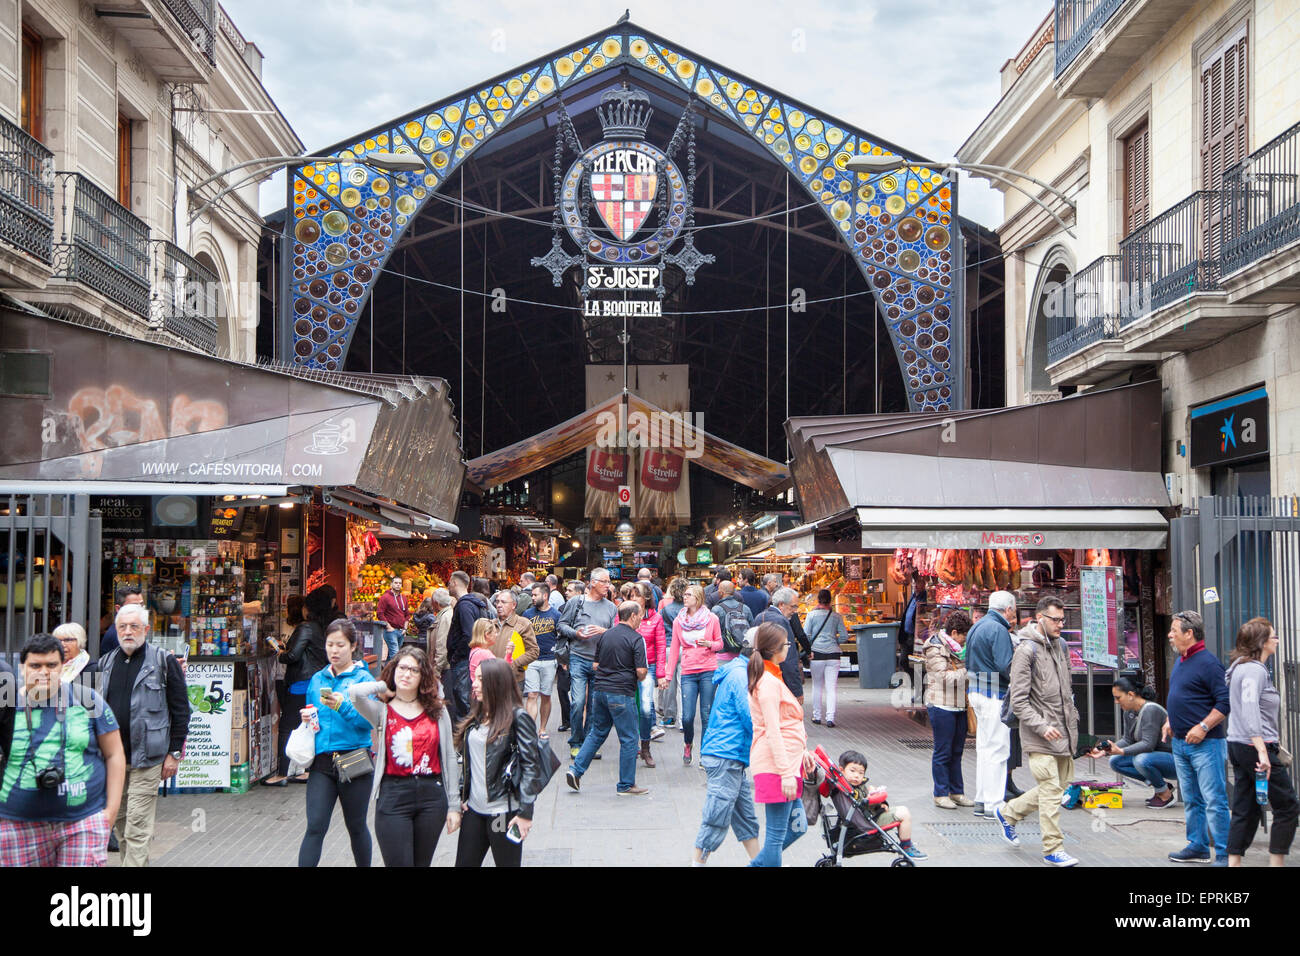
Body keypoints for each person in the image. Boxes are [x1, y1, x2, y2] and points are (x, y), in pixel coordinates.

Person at [0, 634, 125, 867]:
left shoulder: (87, 700)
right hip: (17, 824)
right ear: (21, 667)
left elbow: (114, 753)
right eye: (35, 665)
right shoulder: (6, 704)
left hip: (83, 822)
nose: (44, 672)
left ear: (63, 666)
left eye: (51, 665)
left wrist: (110, 813)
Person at [347, 646, 460, 867]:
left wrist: (454, 805)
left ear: (423, 677)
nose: (406, 674)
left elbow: (449, 757)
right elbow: (355, 694)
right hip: (393, 796)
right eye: (402, 668)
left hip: (431, 798)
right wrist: (383, 686)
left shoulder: (437, 711)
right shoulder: (383, 710)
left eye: (414, 670)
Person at [98, 603, 190, 867]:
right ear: (115, 630)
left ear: (146, 629)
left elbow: (181, 710)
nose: (128, 632)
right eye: (122, 627)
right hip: (113, 762)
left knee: (137, 828)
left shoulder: (164, 661)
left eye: (134, 626)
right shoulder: (104, 663)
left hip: (148, 759)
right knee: (122, 825)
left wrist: (174, 753)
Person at [993, 595, 1080, 867]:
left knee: (1056, 787)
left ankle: (1008, 813)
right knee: (1052, 790)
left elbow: (1066, 691)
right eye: (1055, 619)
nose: (1060, 625)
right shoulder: (1026, 650)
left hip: (1064, 731)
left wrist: (1073, 720)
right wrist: (1042, 726)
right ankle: (1053, 849)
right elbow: (1018, 701)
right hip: (1038, 734)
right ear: (1039, 618)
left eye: (1062, 620)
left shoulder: (1061, 646)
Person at [298, 618, 375, 868]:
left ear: (353, 646)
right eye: (330, 645)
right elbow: (313, 714)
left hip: (354, 762)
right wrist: (308, 718)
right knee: (315, 826)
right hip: (322, 764)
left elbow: (369, 722)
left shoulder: (363, 679)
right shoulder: (318, 679)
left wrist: (343, 707)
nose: (334, 651)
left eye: (340, 645)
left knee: (356, 826)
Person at [454, 657, 546, 867]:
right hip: (474, 811)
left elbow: (531, 766)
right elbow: (470, 764)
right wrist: (461, 794)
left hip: (502, 814)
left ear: (496, 683)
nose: (474, 684)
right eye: (475, 678)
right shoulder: (477, 714)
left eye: (480, 679)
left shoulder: (517, 717)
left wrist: (525, 813)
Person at [1225, 617, 1297, 867]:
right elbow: (1249, 709)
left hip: (1239, 744)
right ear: (1262, 642)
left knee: (1246, 806)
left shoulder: (1239, 667)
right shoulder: (1253, 670)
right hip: (1253, 746)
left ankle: (1233, 862)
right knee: (1287, 805)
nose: (1277, 640)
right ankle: (1276, 863)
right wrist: (1263, 753)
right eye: (1274, 636)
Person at [1162, 609, 1231, 866]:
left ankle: (1224, 855)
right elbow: (1183, 696)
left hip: (1207, 744)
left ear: (1189, 633)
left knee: (1215, 800)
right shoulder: (1181, 660)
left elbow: (1224, 703)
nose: (1170, 635)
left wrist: (1203, 726)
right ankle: (1198, 845)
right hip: (1180, 743)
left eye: (1174, 630)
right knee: (1191, 799)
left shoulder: (1210, 663)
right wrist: (1170, 720)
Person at [566, 601, 650, 795]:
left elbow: (595, 665)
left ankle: (575, 770)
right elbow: (641, 670)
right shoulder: (636, 639)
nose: (641, 619)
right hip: (622, 692)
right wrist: (639, 675)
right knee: (629, 739)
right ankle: (626, 784)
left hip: (601, 691)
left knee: (597, 732)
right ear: (632, 616)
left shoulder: (605, 636)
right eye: (640, 616)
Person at [748, 621, 811, 867]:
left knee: (798, 827)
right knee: (776, 836)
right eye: (788, 644)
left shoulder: (772, 677)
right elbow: (773, 731)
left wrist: (803, 752)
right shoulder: (768, 683)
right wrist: (785, 773)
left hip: (787, 764)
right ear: (776, 648)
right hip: (777, 766)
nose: (790, 647)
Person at [693, 637, 760, 865]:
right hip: (726, 755)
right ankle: (697, 863)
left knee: (746, 818)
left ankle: (760, 862)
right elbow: (749, 716)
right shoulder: (741, 676)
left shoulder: (738, 671)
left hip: (731, 754)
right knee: (716, 817)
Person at [964, 590, 1019, 817]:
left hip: (977, 691)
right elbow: (1006, 665)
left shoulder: (978, 625)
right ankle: (994, 804)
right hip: (994, 694)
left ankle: (982, 799)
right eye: (1013, 611)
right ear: (1008, 609)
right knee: (998, 748)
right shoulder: (998, 629)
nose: (1014, 615)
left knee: (985, 748)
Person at [1087, 672, 1176, 809]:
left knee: (1141, 759)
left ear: (1130, 695)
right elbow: (1128, 740)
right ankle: (1162, 786)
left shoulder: (1151, 710)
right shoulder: (1129, 712)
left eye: (1118, 698)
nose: (1116, 702)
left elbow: (1148, 745)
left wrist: (1121, 751)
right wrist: (1104, 751)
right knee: (1115, 761)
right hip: (1155, 758)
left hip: (1174, 760)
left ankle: (1165, 795)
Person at [820, 749, 927, 860]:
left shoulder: (848, 787)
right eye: (852, 771)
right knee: (904, 813)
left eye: (861, 773)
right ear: (841, 770)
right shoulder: (846, 789)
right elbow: (863, 803)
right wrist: (874, 799)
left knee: (899, 808)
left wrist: (880, 802)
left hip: (868, 815)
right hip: (866, 822)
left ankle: (906, 844)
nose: (857, 776)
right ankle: (907, 846)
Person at [558, 568, 618, 760]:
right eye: (604, 582)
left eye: (609, 582)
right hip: (577, 657)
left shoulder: (611, 607)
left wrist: (604, 631)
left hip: (600, 662)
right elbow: (561, 625)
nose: (607, 586)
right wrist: (576, 634)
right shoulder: (576, 602)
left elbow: (617, 633)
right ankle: (575, 741)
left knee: (595, 706)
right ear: (592, 582)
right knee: (577, 702)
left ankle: (589, 744)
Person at [664, 583, 722, 766]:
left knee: (706, 714)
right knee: (687, 716)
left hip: (708, 669)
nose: (685, 597)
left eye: (689, 595)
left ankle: (705, 754)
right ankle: (688, 743)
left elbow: (720, 643)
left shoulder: (711, 619)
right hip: (688, 670)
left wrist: (709, 644)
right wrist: (668, 675)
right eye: (685, 594)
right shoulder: (678, 621)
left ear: (698, 598)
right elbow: (674, 649)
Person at [925, 609, 973, 809]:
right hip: (941, 705)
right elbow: (944, 678)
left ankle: (957, 792)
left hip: (959, 705)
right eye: (963, 636)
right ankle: (940, 793)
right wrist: (968, 670)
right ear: (954, 633)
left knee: (957, 751)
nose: (964, 642)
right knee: (943, 751)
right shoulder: (935, 648)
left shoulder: (959, 651)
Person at [445, 571, 491, 724]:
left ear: (454, 583)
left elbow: (467, 634)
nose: (448, 586)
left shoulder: (464, 606)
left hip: (464, 661)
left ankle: (465, 741)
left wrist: (456, 656)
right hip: (470, 659)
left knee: (464, 702)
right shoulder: (474, 604)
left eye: (449, 583)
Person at [630, 581, 667, 764]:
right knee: (629, 708)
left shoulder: (656, 618)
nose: (633, 598)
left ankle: (645, 748)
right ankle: (631, 746)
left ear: (646, 598)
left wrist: (661, 674)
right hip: (627, 667)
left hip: (648, 666)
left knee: (645, 708)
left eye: (636, 595)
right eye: (631, 595)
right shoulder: (624, 614)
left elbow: (661, 647)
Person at [756, 587, 810, 708]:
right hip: (778, 678)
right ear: (781, 605)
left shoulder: (760, 617)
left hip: (760, 676)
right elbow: (789, 658)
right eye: (793, 606)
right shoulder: (782, 621)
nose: (795, 611)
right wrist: (797, 690)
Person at [522, 583, 562, 738]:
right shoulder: (527, 614)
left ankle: (543, 728)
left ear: (545, 596)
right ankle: (530, 730)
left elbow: (560, 637)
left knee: (546, 695)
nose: (532, 598)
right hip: (531, 659)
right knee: (532, 695)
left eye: (535, 595)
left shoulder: (556, 615)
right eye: (532, 595)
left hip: (549, 660)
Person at [803, 588, 847, 726]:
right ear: (831, 601)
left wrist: (811, 645)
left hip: (817, 654)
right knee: (831, 687)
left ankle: (816, 716)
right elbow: (844, 636)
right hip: (834, 655)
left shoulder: (811, 615)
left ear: (818, 600)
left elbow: (806, 635)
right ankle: (830, 718)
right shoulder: (836, 617)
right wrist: (835, 641)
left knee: (817, 686)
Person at [489, 590, 539, 686]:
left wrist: (513, 664)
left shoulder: (523, 624)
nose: (499, 605)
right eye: (497, 601)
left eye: (503, 602)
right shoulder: (490, 624)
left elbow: (533, 651)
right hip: (491, 677)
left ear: (513, 605)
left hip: (513, 679)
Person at [657, 576, 686, 730]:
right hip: (686, 648)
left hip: (669, 648)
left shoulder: (666, 610)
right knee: (683, 684)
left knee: (669, 684)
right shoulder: (689, 610)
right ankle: (683, 719)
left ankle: (669, 717)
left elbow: (661, 630)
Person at [712, 580, 754, 665]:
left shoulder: (716, 610)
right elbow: (752, 631)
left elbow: (711, 634)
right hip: (742, 656)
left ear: (721, 592)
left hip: (722, 656)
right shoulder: (745, 608)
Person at [99, 584, 144, 658]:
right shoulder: (118, 635)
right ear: (118, 609)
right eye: (134, 606)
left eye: (141, 605)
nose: (139, 610)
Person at [377, 577, 409, 663]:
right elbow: (380, 613)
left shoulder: (404, 598)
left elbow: (407, 614)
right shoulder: (385, 597)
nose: (398, 585)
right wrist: (388, 626)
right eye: (396, 583)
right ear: (391, 584)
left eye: (400, 583)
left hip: (401, 631)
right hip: (391, 631)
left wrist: (405, 629)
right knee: (395, 655)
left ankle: (386, 673)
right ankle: (394, 675)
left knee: (391, 656)